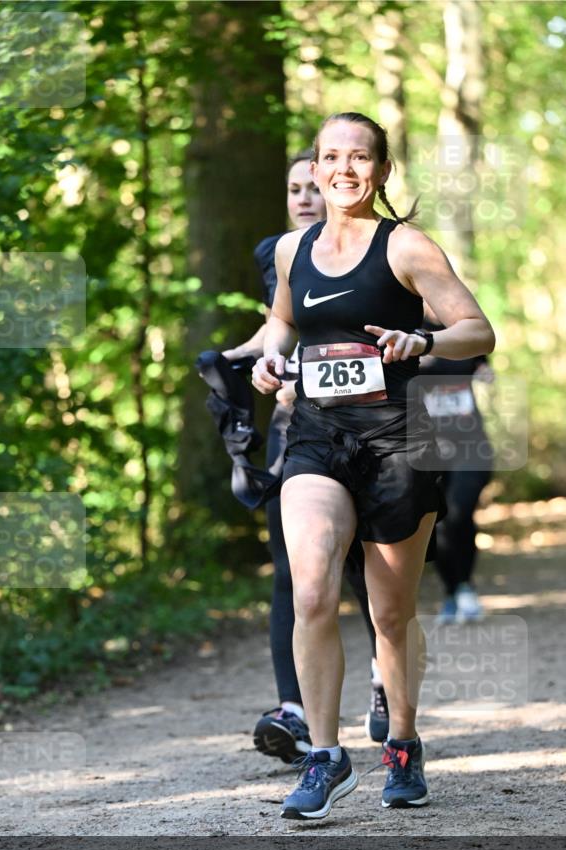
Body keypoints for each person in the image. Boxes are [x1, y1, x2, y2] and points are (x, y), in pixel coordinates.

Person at [252, 112, 495, 820]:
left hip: (397, 442)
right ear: (317, 166)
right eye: (331, 156)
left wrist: (419, 340)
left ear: (382, 171)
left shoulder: (406, 245)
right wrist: (271, 357)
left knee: (390, 616)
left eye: (359, 157)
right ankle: (325, 757)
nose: (343, 169)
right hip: (317, 440)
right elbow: (283, 321)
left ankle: (402, 742)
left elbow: (477, 330)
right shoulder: (294, 251)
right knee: (310, 589)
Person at [216, 152, 387, 763]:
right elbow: (277, 324)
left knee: (372, 570)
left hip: (372, 430)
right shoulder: (278, 253)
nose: (303, 197)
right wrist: (234, 358)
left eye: (310, 185)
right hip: (299, 429)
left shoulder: (381, 249)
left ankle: (383, 677)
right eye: (293, 188)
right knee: (296, 573)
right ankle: (293, 708)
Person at [417, 341, 494, 623]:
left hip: (471, 447)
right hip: (429, 450)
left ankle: (465, 587)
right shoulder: (405, 324)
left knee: (459, 513)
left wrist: (485, 373)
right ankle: (452, 592)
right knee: (436, 522)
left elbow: (482, 364)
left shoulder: (463, 326)